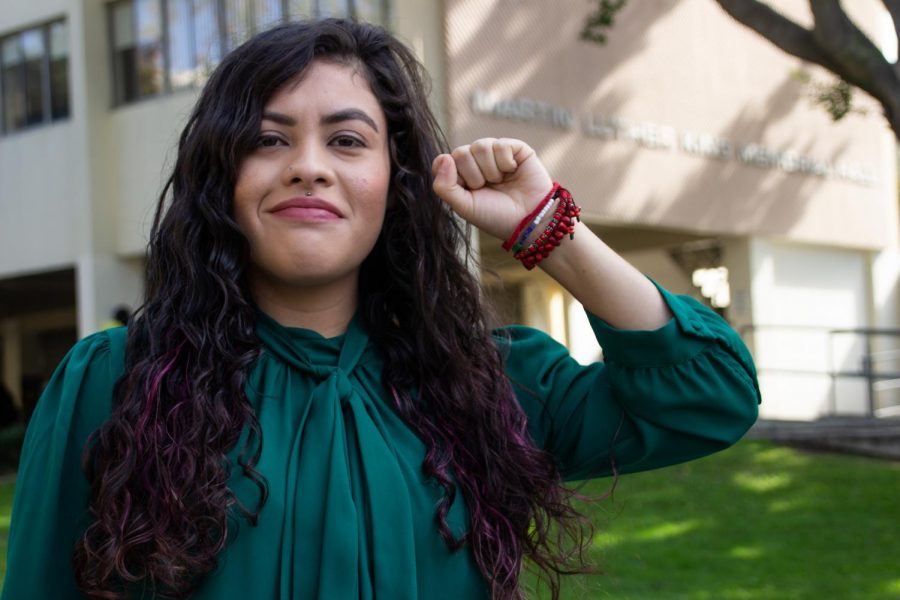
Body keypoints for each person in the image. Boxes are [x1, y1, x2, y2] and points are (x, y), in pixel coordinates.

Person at [1, 18, 760, 600]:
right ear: (222, 178)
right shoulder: (112, 384)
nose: (308, 166)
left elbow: (710, 397)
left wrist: (547, 228)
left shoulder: (490, 384)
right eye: (268, 139)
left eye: (347, 140)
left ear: (395, 180)